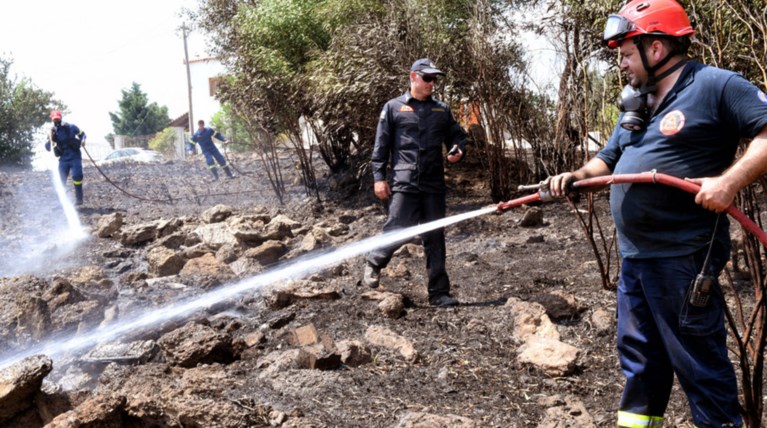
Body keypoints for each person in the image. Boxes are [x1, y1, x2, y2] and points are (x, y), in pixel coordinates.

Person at [546, 0, 767, 426]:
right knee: (641, 368)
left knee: (700, 368)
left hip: (682, 259)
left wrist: (729, 182)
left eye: (628, 54)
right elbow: (608, 159)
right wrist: (575, 175)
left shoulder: (715, 85)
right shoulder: (637, 102)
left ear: (658, 48)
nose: (623, 65)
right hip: (637, 259)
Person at [362, 58, 467, 308]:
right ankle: (374, 261)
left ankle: (439, 293)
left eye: (435, 79)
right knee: (396, 229)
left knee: (435, 237)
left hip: (433, 185)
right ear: (413, 77)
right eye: (427, 78)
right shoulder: (393, 108)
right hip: (404, 183)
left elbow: (457, 135)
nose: (432, 83)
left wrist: (458, 149)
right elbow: (381, 147)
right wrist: (379, 178)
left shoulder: (442, 110)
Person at [45, 110, 87, 206]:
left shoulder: (71, 127)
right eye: (54, 120)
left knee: (77, 176)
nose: (56, 121)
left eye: (58, 119)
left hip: (75, 156)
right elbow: (48, 148)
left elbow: (83, 134)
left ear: (61, 118)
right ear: (52, 120)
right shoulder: (53, 132)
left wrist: (83, 140)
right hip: (63, 159)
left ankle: (79, 199)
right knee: (61, 180)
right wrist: (50, 139)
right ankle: (61, 202)